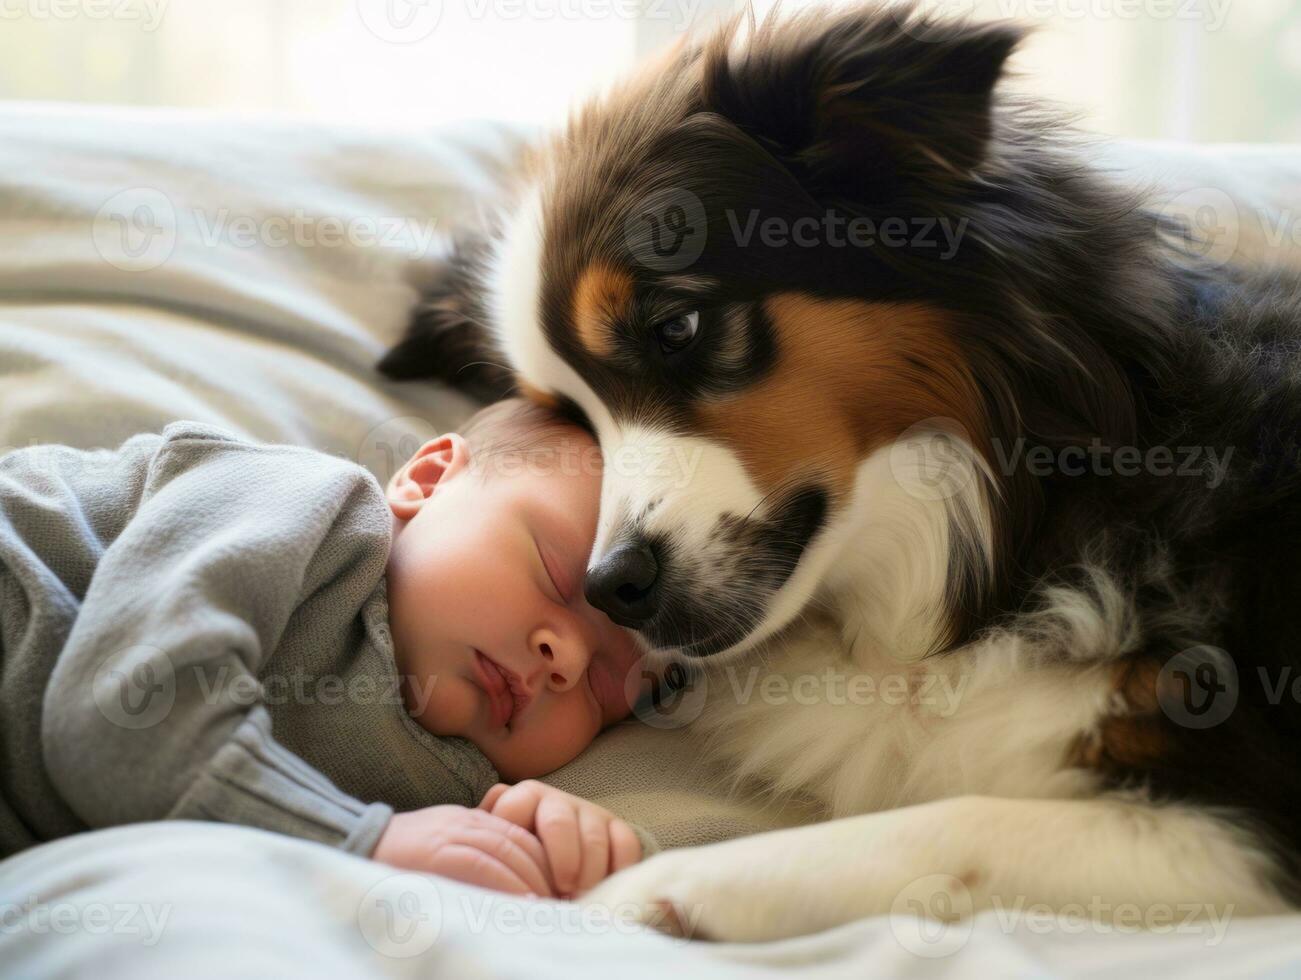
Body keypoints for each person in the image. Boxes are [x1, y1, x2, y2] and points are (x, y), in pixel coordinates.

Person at [0, 398, 652, 898]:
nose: (565, 659)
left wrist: (533, 836)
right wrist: (359, 842)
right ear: (428, 479)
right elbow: (117, 722)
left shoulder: (456, 787)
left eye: (602, 688)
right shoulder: (310, 506)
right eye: (557, 573)